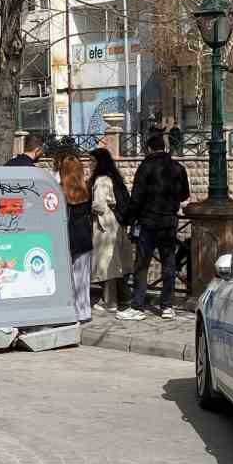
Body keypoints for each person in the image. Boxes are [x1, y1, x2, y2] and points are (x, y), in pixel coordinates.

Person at [116, 131, 190, 321]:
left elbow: (137, 198)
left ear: (148, 149)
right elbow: (184, 195)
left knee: (142, 264)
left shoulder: (146, 167)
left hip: (148, 222)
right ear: (164, 148)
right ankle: (167, 306)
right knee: (169, 263)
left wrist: (128, 220)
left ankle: (138, 306)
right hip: (169, 222)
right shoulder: (178, 168)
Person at [88, 147, 133, 312]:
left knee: (106, 263)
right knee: (113, 263)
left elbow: (98, 205)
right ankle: (111, 299)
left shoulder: (101, 180)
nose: (90, 164)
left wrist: (88, 208)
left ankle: (109, 301)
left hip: (104, 225)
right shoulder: (114, 178)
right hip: (115, 224)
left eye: (93, 161)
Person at [58, 155, 95, 323]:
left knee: (66, 276)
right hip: (83, 236)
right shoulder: (87, 189)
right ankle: (84, 311)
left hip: (64, 236)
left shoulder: (58, 190)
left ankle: (68, 310)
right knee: (83, 277)